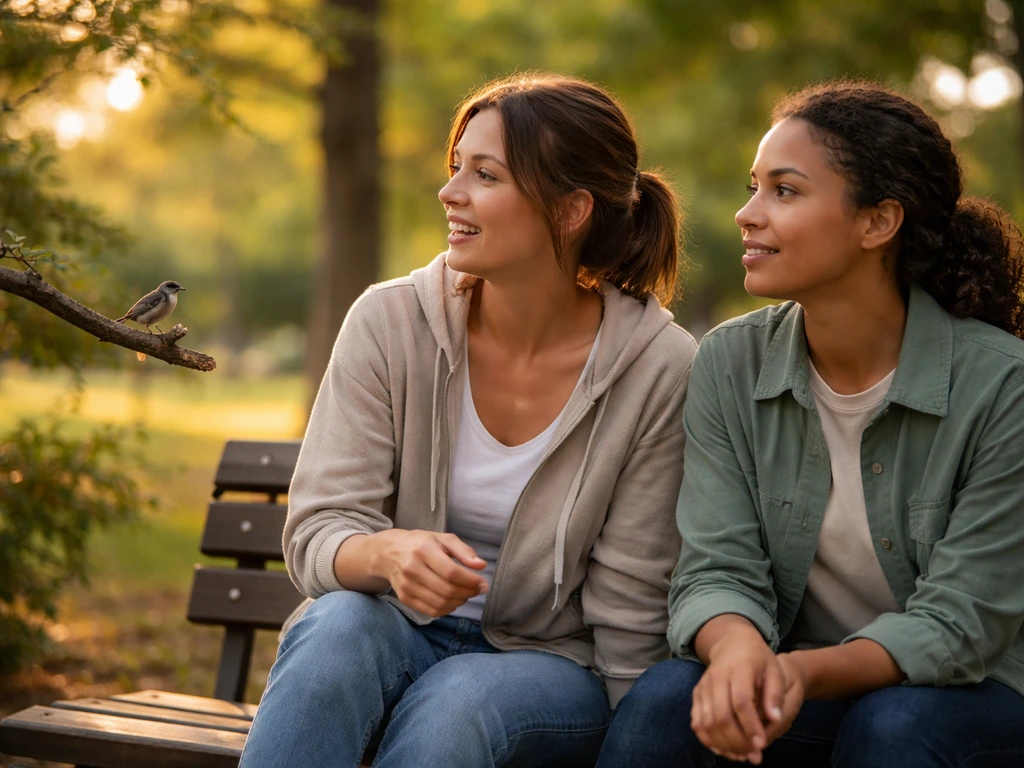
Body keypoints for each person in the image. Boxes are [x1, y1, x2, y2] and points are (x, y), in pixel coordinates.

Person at [240, 73, 697, 768]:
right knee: (333, 628)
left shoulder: (658, 367)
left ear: (571, 209)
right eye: (456, 169)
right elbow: (318, 528)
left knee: (456, 702)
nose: (450, 193)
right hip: (393, 628)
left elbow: (632, 607)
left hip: (552, 670)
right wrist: (387, 554)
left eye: (485, 175)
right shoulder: (389, 321)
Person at [597, 81, 1024, 767]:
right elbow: (716, 566)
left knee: (894, 726)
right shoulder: (731, 362)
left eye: (784, 191)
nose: (746, 214)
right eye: (753, 187)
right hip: (796, 680)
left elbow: (961, 625)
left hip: (976, 692)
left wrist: (797, 674)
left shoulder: (1004, 386)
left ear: (878, 222)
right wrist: (739, 654)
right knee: (668, 700)